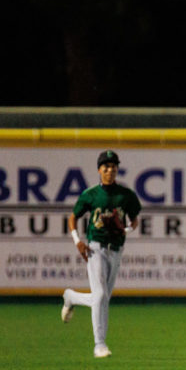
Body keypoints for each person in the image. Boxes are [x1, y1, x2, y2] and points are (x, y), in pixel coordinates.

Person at [61, 149, 142, 358]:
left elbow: (134, 221)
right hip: (95, 248)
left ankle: (71, 297)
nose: (110, 170)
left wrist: (126, 230)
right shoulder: (91, 195)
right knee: (100, 296)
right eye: (106, 167)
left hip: (116, 249)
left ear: (117, 169)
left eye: (113, 166)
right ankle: (99, 345)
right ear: (99, 170)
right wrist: (77, 240)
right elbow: (73, 217)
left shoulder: (126, 196)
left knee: (104, 298)